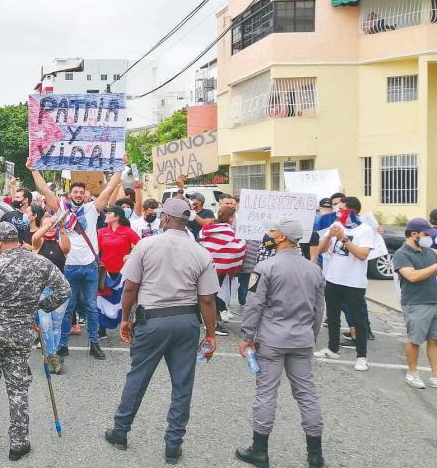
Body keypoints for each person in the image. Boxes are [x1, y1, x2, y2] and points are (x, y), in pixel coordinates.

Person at [105, 198, 219, 464]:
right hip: (186, 322)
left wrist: (125, 318)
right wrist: (211, 334)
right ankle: (173, 444)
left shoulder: (146, 245)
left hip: (152, 320)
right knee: (182, 384)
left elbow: (130, 287)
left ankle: (120, 431)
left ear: (165, 218)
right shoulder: (200, 252)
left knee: (138, 376)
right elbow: (207, 300)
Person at [0, 222, 71, 461]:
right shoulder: (40, 263)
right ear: (16, 239)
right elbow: (64, 290)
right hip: (21, 334)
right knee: (18, 387)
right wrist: (40, 305)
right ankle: (19, 442)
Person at [235, 216, 325, 468]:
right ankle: (315, 455)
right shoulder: (314, 269)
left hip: (272, 339)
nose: (269, 235)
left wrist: (246, 337)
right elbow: (320, 310)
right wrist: (311, 336)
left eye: (273, 231)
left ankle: (260, 451)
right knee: (307, 395)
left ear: (282, 237)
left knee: (266, 394)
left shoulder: (265, 267)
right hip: (302, 339)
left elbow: (254, 305)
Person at [32, 168, 123, 361]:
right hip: (70, 266)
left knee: (91, 307)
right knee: (68, 308)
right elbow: (45, 191)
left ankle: (94, 343)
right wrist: (33, 169)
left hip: (90, 265)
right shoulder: (62, 210)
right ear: (70, 194)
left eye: (81, 192)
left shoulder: (92, 208)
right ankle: (63, 344)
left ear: (85, 195)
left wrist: (119, 170)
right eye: (75, 192)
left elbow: (108, 191)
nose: (79, 195)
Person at [314, 197, 375, 371]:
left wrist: (344, 239)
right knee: (333, 316)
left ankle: (361, 356)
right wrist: (330, 237)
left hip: (354, 283)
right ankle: (332, 348)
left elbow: (363, 255)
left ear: (353, 212)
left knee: (358, 319)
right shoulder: (336, 225)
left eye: (342, 209)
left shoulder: (365, 230)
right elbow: (321, 249)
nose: (338, 212)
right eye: (338, 209)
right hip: (333, 279)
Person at [390, 218, 437, 389]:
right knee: (415, 340)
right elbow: (412, 276)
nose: (429, 238)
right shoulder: (401, 254)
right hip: (416, 303)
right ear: (414, 234)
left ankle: (435, 375)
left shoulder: (429, 251)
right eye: (426, 234)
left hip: (434, 300)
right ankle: (412, 373)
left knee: (434, 340)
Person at [32, 212, 71, 374]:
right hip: (42, 290)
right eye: (46, 225)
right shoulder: (38, 244)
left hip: (59, 290)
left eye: (52, 225)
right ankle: (53, 356)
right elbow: (35, 238)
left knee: (56, 325)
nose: (50, 228)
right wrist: (49, 224)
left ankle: (52, 355)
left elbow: (67, 247)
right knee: (45, 325)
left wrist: (61, 227)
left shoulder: (59, 244)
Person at [199, 207, 246, 336]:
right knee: (212, 295)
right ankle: (212, 324)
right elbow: (238, 247)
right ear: (231, 218)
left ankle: (211, 320)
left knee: (208, 294)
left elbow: (205, 245)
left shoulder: (208, 229)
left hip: (206, 267)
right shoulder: (228, 231)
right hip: (219, 269)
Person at [97, 205, 140, 335]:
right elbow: (96, 250)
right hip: (105, 273)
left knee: (125, 300)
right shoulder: (102, 232)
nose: (105, 215)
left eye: (108, 213)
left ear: (117, 216)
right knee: (102, 300)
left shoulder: (127, 231)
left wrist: (131, 254)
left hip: (123, 273)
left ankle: (127, 325)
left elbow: (141, 245)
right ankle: (102, 328)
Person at [1, 177, 33, 243]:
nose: (15, 199)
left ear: (26, 200)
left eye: (18, 197)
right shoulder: (8, 215)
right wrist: (12, 185)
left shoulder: (34, 216)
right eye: (15, 197)